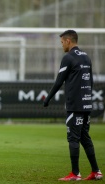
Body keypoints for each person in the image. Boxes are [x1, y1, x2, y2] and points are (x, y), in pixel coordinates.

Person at [43, 30, 103, 181]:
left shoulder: (68, 57)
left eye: (62, 42)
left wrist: (48, 98)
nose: (62, 45)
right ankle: (96, 171)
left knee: (73, 138)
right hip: (86, 104)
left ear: (68, 41)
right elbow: (90, 82)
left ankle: (75, 174)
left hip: (74, 104)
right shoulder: (86, 57)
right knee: (85, 137)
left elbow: (59, 81)